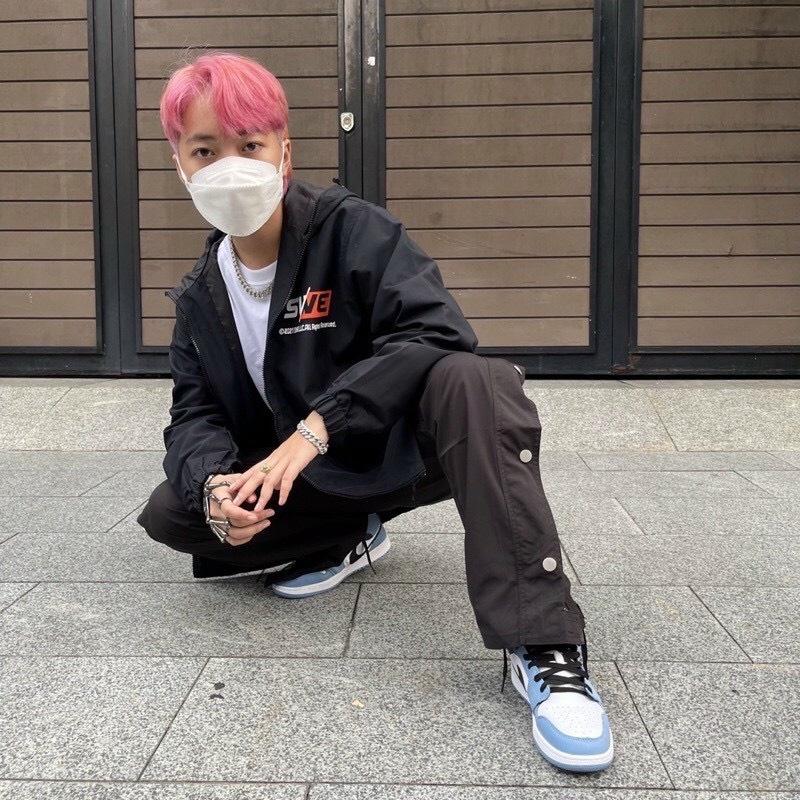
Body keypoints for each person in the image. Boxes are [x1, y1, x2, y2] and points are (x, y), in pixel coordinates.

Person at [136, 50, 614, 773]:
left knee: (475, 382)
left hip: (398, 449)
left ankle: (544, 642)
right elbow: (192, 415)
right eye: (205, 150)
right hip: (309, 477)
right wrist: (213, 487)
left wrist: (318, 426)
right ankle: (348, 536)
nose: (229, 167)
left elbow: (436, 330)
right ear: (179, 164)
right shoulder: (201, 294)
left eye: (249, 144)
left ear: (285, 153)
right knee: (175, 512)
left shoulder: (352, 230)